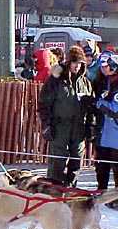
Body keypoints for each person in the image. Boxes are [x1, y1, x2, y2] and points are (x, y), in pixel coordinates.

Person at [38, 46, 94, 186]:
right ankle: (54, 189)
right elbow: (44, 103)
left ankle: (70, 188)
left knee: (76, 160)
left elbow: (92, 107)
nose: (77, 66)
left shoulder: (85, 82)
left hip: (78, 127)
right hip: (59, 126)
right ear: (69, 62)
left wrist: (90, 126)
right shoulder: (56, 81)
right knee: (58, 160)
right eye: (75, 62)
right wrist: (46, 124)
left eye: (80, 63)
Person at [92, 51, 118, 208]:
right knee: (101, 164)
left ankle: (116, 196)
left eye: (106, 66)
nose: (103, 69)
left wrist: (98, 103)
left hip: (115, 132)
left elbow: (115, 109)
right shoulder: (103, 80)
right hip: (103, 131)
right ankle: (101, 191)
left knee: (116, 165)